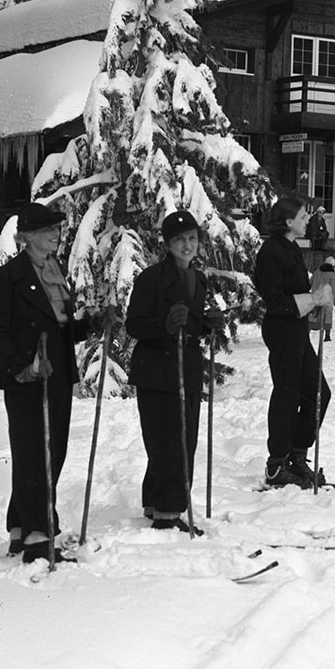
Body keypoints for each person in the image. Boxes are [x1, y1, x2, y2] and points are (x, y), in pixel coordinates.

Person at [0, 202, 96, 564]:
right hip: (26, 379)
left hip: (58, 375)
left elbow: (59, 328)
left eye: (58, 229)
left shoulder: (54, 270)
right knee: (36, 455)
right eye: (49, 229)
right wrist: (24, 366)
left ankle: (19, 527)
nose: (56, 234)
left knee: (51, 452)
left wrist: (90, 324)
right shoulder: (9, 277)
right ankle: (37, 538)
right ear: (27, 236)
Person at [124, 210, 224, 533]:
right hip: (157, 371)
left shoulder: (199, 279)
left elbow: (190, 323)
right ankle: (167, 512)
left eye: (192, 238)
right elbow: (134, 325)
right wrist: (165, 325)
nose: (187, 245)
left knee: (182, 438)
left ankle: (156, 501)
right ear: (168, 244)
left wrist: (207, 324)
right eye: (180, 240)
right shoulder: (151, 279)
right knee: (167, 441)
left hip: (187, 368)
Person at [253, 194, 335, 488]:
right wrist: (312, 299)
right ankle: (277, 465)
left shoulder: (290, 248)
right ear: (288, 221)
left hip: (297, 330)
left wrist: (320, 287)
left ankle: (297, 457)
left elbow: (297, 288)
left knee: (317, 393)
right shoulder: (271, 251)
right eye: (303, 217)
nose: (307, 221)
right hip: (282, 330)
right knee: (287, 394)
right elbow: (274, 299)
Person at [309, 256, 335, 342]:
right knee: (327, 317)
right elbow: (333, 289)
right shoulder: (331, 273)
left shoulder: (317, 271)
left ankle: (307, 333)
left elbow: (309, 282)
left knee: (313, 316)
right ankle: (327, 336)